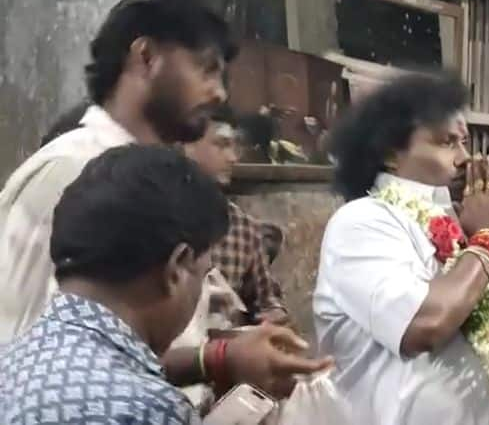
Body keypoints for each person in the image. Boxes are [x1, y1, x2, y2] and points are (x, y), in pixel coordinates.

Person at [0, 0, 329, 398]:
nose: (220, 92)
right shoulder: (67, 172)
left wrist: (225, 352)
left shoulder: (155, 181)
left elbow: (129, 342)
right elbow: (36, 359)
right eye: (206, 68)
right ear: (146, 56)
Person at [0, 145, 322, 424]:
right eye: (205, 274)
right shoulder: (148, 409)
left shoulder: (11, 364)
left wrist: (218, 359)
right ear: (177, 268)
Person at [313, 71, 489, 425]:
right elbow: (423, 325)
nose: (464, 157)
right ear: (390, 153)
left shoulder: (461, 221)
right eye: (447, 142)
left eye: (465, 141)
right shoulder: (363, 222)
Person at [183, 105, 288, 326]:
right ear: (185, 144)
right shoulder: (152, 215)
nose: (232, 157)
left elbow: (267, 301)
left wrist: (272, 317)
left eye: (234, 146)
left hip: (226, 352)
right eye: (221, 145)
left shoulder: (241, 227)